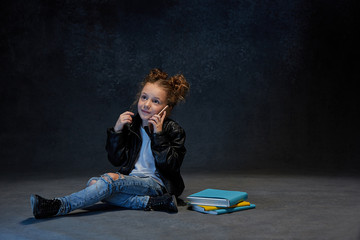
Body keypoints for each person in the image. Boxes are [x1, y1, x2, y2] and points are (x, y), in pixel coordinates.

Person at [30, 68, 190, 219]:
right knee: (93, 183)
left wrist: (158, 134)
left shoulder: (173, 130)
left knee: (107, 181)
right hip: (133, 180)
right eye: (144, 97)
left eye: (156, 101)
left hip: (157, 184)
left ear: (166, 108)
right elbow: (117, 159)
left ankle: (59, 205)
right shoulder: (133, 124)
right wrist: (117, 130)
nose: (147, 104)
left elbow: (171, 166)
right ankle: (152, 203)